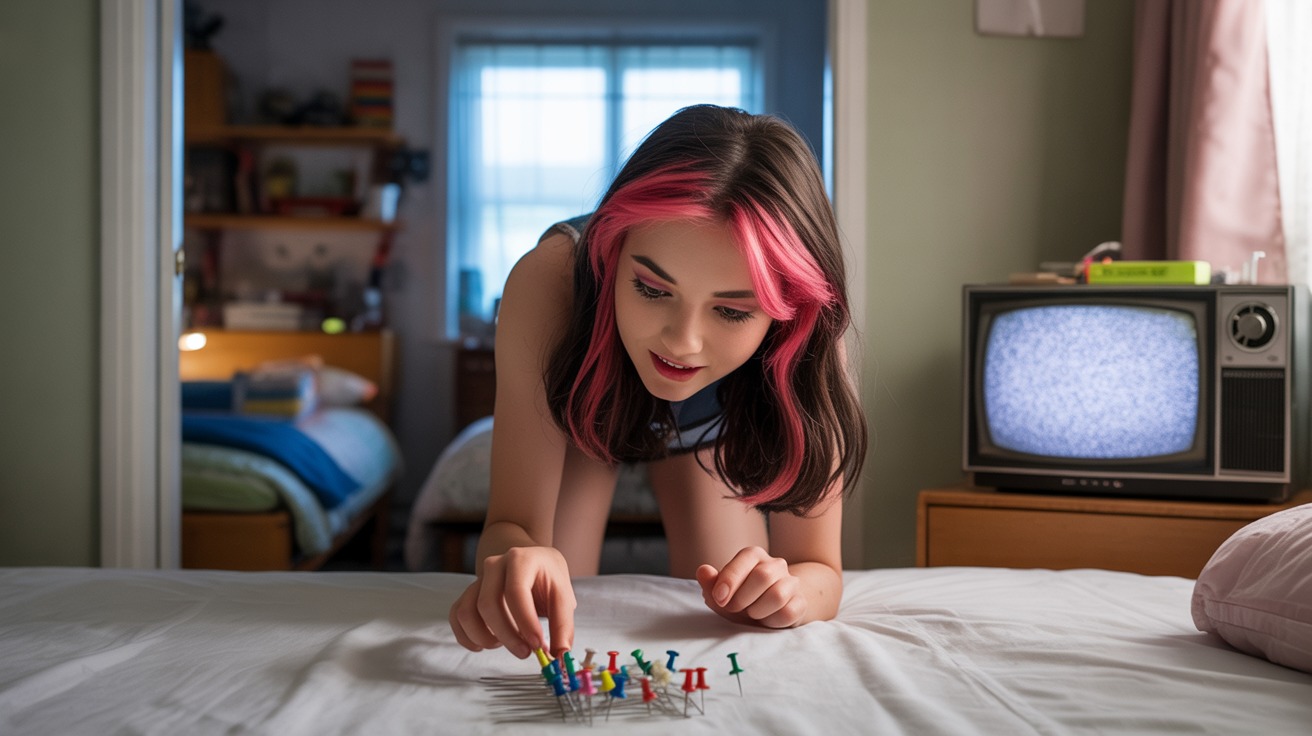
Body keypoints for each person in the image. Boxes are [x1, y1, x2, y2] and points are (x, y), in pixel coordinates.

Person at [448, 104, 866, 660]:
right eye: (651, 289)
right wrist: (516, 556)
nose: (681, 343)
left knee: (736, 610)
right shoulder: (550, 284)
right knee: (547, 603)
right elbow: (510, 527)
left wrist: (792, 593)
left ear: (785, 313)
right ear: (610, 253)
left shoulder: (812, 333)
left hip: (711, 425)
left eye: (733, 312)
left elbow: (819, 571)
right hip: (589, 405)